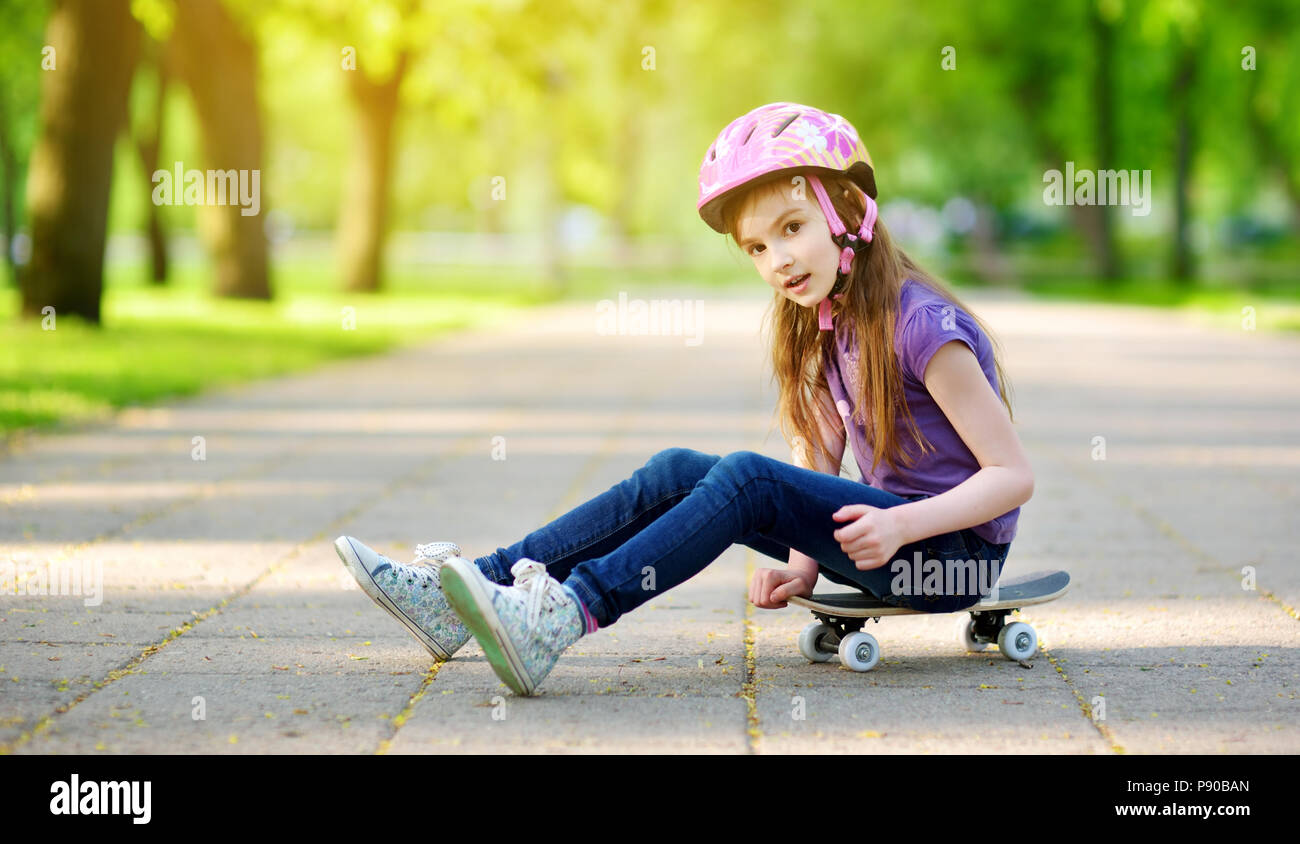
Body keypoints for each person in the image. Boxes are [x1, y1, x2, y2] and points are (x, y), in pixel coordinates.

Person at [335, 101, 1034, 697]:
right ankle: (466, 597)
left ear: (848, 210)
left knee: (746, 478)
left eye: (791, 229)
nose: (777, 261)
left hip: (950, 555)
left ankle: (563, 617)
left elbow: (1012, 477)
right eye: (757, 248)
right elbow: (822, 454)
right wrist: (803, 564)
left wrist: (905, 529)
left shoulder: (922, 327)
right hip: (897, 537)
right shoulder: (825, 319)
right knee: (676, 468)